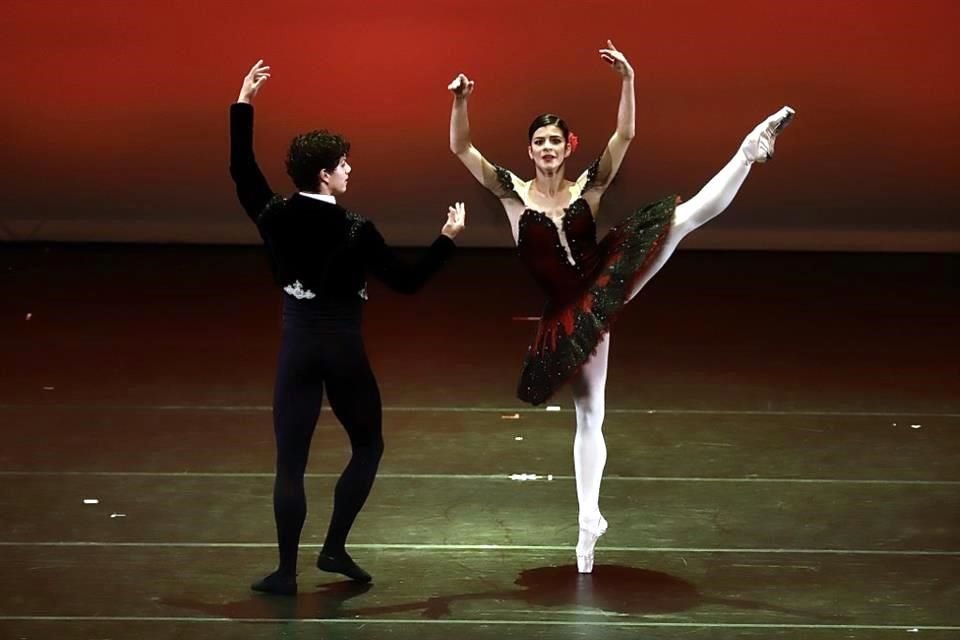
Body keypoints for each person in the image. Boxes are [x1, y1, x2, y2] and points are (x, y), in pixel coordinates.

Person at [448, 41, 793, 573]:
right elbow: (462, 149)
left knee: (683, 220)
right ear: (530, 148)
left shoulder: (587, 187)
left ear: (567, 148)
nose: (546, 148)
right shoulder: (510, 192)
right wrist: (461, 101)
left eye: (555, 141)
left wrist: (628, 79)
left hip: (604, 278)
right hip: (569, 312)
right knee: (590, 415)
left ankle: (747, 151)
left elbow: (625, 135)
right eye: (539, 141)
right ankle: (589, 525)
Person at [231, 60, 466, 595]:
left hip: (296, 347)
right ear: (325, 175)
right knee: (368, 445)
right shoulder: (356, 228)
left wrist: (243, 102)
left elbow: (241, 168)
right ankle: (334, 546)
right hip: (341, 350)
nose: (348, 172)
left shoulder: (272, 214)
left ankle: (286, 571)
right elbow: (407, 283)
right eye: (343, 165)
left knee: (290, 463)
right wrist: (447, 238)